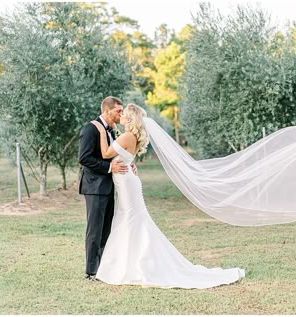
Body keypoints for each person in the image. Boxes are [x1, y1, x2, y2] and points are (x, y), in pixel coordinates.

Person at [91, 103, 245, 289]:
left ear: (130, 118)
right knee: (131, 219)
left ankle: (130, 266)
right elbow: (125, 158)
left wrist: (101, 131)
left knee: (131, 219)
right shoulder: (131, 136)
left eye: (124, 113)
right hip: (127, 181)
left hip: (126, 183)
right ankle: (127, 264)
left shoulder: (126, 136)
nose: (121, 115)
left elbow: (106, 153)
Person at [78, 96, 138, 281]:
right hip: (95, 187)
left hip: (110, 186)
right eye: (118, 111)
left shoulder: (112, 129)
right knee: (95, 230)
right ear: (107, 111)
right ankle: (91, 271)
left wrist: (128, 163)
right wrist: (109, 167)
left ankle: (103, 267)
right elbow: (84, 158)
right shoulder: (91, 129)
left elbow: (113, 154)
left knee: (107, 229)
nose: (121, 114)